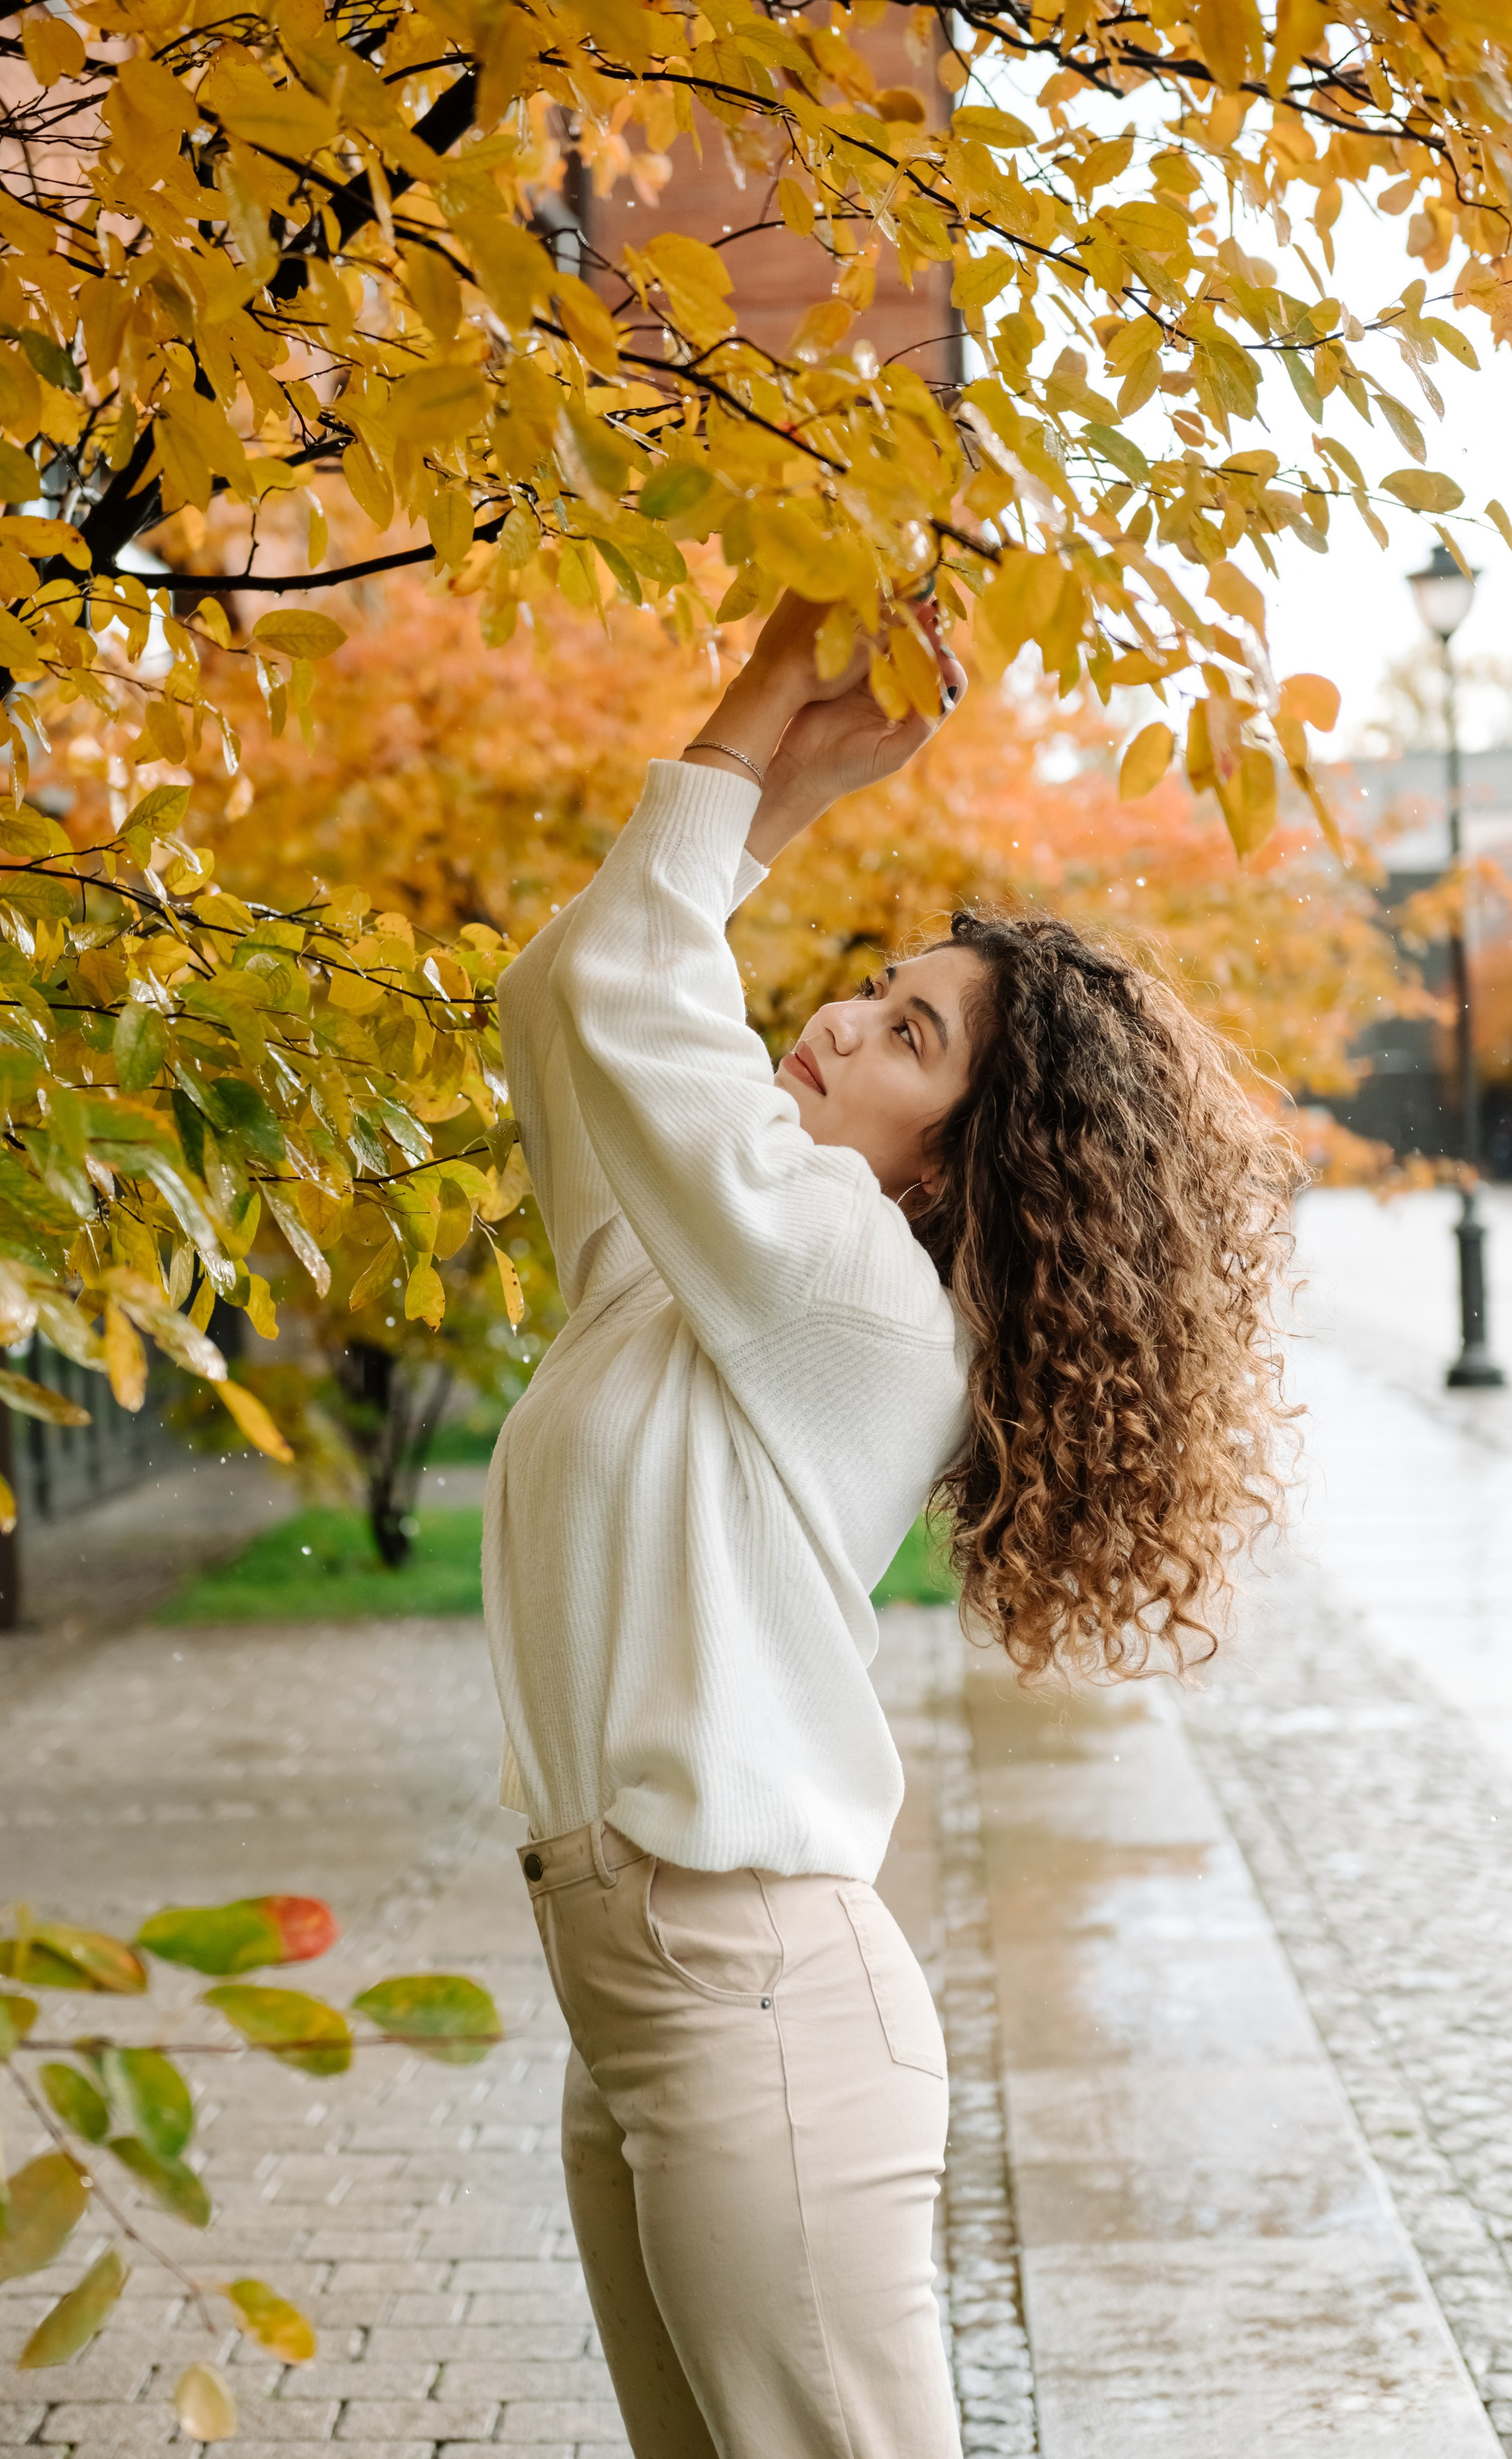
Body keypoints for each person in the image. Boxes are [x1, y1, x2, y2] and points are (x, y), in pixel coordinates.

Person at [482, 593, 1294, 2459]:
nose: (841, 1015)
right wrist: (776, 798)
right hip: (648, 1998)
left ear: (952, 1161)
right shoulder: (691, 1287)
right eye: (874, 982)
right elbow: (565, 999)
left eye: (909, 1029)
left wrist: (771, 686)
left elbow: (634, 990)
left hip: (743, 1993)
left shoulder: (852, 1295)